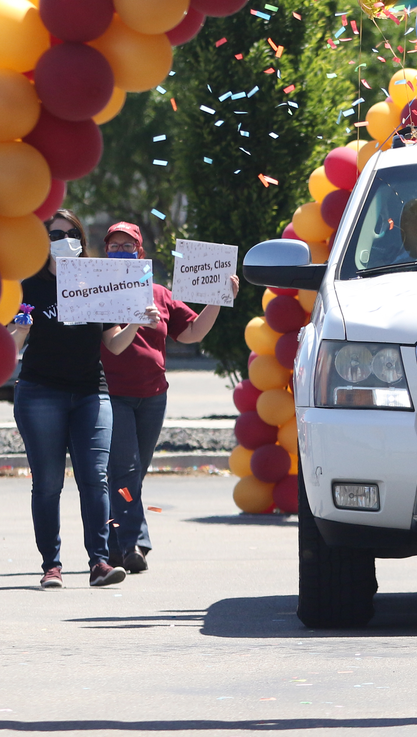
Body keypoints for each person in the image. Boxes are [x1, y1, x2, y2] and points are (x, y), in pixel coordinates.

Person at [9, 210, 161, 590]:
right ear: (41, 243)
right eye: (55, 234)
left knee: (95, 479)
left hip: (92, 392)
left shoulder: (94, 280)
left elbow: (112, 342)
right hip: (40, 392)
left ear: (81, 239)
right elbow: (11, 350)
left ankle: (100, 562)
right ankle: (52, 565)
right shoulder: (28, 285)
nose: (64, 241)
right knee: (47, 484)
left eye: (71, 233)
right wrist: (20, 331)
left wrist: (137, 323)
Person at [100, 222, 240, 574]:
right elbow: (112, 345)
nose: (120, 252)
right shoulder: (101, 292)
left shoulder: (160, 294)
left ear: (140, 252)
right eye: (113, 246)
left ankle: (115, 543)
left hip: (152, 396)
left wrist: (217, 300)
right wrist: (134, 319)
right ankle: (135, 543)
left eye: (126, 246)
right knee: (125, 471)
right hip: (113, 395)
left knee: (133, 474)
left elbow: (191, 332)